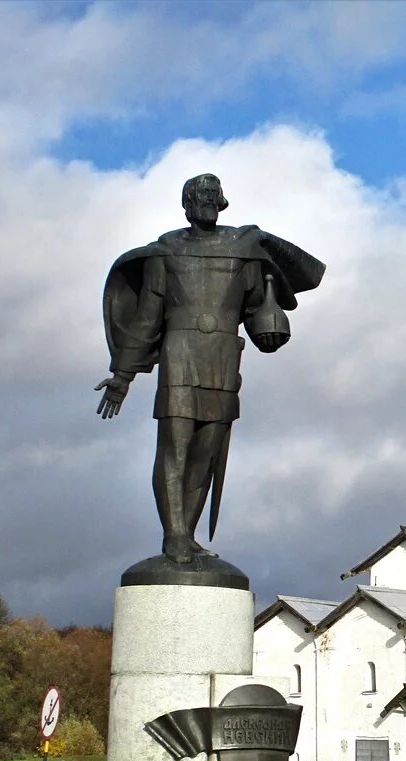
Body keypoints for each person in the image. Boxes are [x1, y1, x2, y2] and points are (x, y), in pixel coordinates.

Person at [97, 174, 325, 563]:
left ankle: (188, 530)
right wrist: (122, 376)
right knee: (176, 448)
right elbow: (148, 318)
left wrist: (269, 328)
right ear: (185, 203)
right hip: (179, 354)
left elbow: (258, 310)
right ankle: (174, 536)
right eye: (197, 195)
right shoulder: (164, 253)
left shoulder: (244, 249)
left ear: (222, 202)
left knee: (207, 454)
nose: (204, 200)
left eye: (211, 194)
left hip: (222, 356)